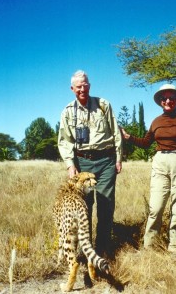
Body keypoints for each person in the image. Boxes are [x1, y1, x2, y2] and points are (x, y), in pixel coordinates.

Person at [122, 84, 176, 253]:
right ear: (160, 101)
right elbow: (146, 142)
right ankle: (149, 247)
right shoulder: (156, 121)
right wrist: (128, 137)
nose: (168, 101)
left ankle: (174, 248)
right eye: (164, 98)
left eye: (172, 98)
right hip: (160, 161)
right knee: (155, 207)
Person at [58, 70, 123, 257]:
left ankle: (103, 250)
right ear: (72, 89)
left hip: (106, 162)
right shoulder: (68, 111)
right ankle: (86, 252)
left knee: (106, 205)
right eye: (78, 87)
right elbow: (64, 141)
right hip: (82, 163)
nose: (82, 89)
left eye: (85, 85)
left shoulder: (104, 105)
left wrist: (118, 158)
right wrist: (71, 165)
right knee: (83, 208)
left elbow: (116, 133)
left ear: (90, 86)